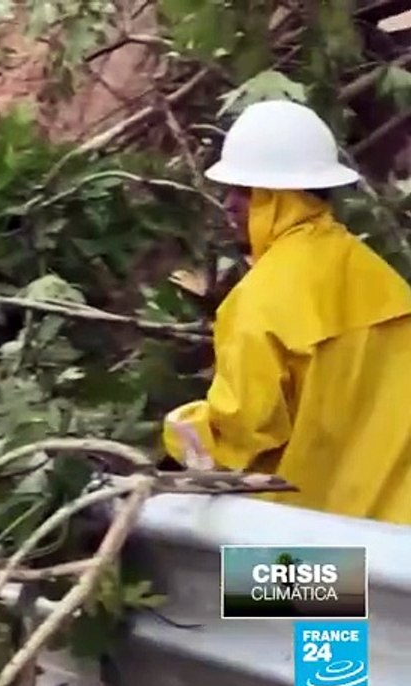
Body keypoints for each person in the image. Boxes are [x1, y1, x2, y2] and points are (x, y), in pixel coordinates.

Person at [162, 99, 411, 524]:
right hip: (397, 542)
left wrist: (179, 431)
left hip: (311, 544)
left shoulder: (261, 299)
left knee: (197, 566)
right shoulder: (383, 279)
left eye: (245, 191)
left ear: (279, 198)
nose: (229, 204)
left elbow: (241, 435)